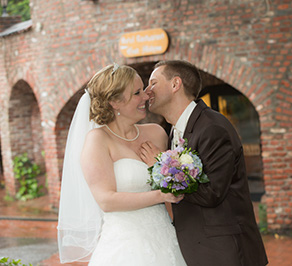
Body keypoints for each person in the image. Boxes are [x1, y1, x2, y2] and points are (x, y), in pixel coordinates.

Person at [140, 60, 268, 266]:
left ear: (175, 84)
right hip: (198, 246)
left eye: (153, 83)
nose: (147, 91)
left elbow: (212, 193)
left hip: (223, 250)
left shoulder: (212, 128)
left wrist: (159, 165)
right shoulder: (175, 130)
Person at [57, 63, 187, 266]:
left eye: (143, 89)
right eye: (137, 93)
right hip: (125, 246)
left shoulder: (157, 133)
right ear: (114, 102)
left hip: (166, 238)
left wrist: (167, 173)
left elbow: (175, 184)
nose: (146, 96)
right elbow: (106, 201)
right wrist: (160, 195)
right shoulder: (98, 141)